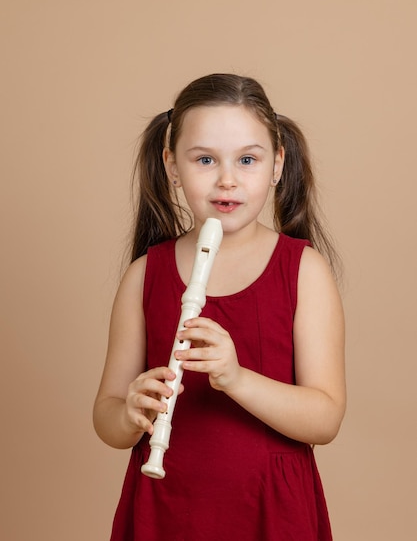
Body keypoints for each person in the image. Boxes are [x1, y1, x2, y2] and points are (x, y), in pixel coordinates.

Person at [93, 73, 346, 541]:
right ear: (171, 165)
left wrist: (236, 378)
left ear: (277, 165)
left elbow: (326, 418)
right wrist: (130, 413)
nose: (227, 179)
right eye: (205, 159)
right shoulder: (145, 275)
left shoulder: (304, 271)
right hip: (167, 506)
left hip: (271, 510)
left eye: (248, 159)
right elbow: (106, 417)